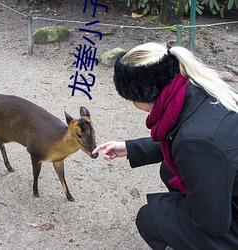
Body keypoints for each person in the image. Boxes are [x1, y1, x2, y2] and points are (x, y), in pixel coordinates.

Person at [92, 42, 238, 250]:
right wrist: (130, 148)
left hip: (229, 222)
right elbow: (182, 139)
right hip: (229, 187)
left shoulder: (195, 142)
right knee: (169, 170)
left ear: (143, 93)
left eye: (131, 98)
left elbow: (213, 224)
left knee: (150, 218)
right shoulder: (197, 88)